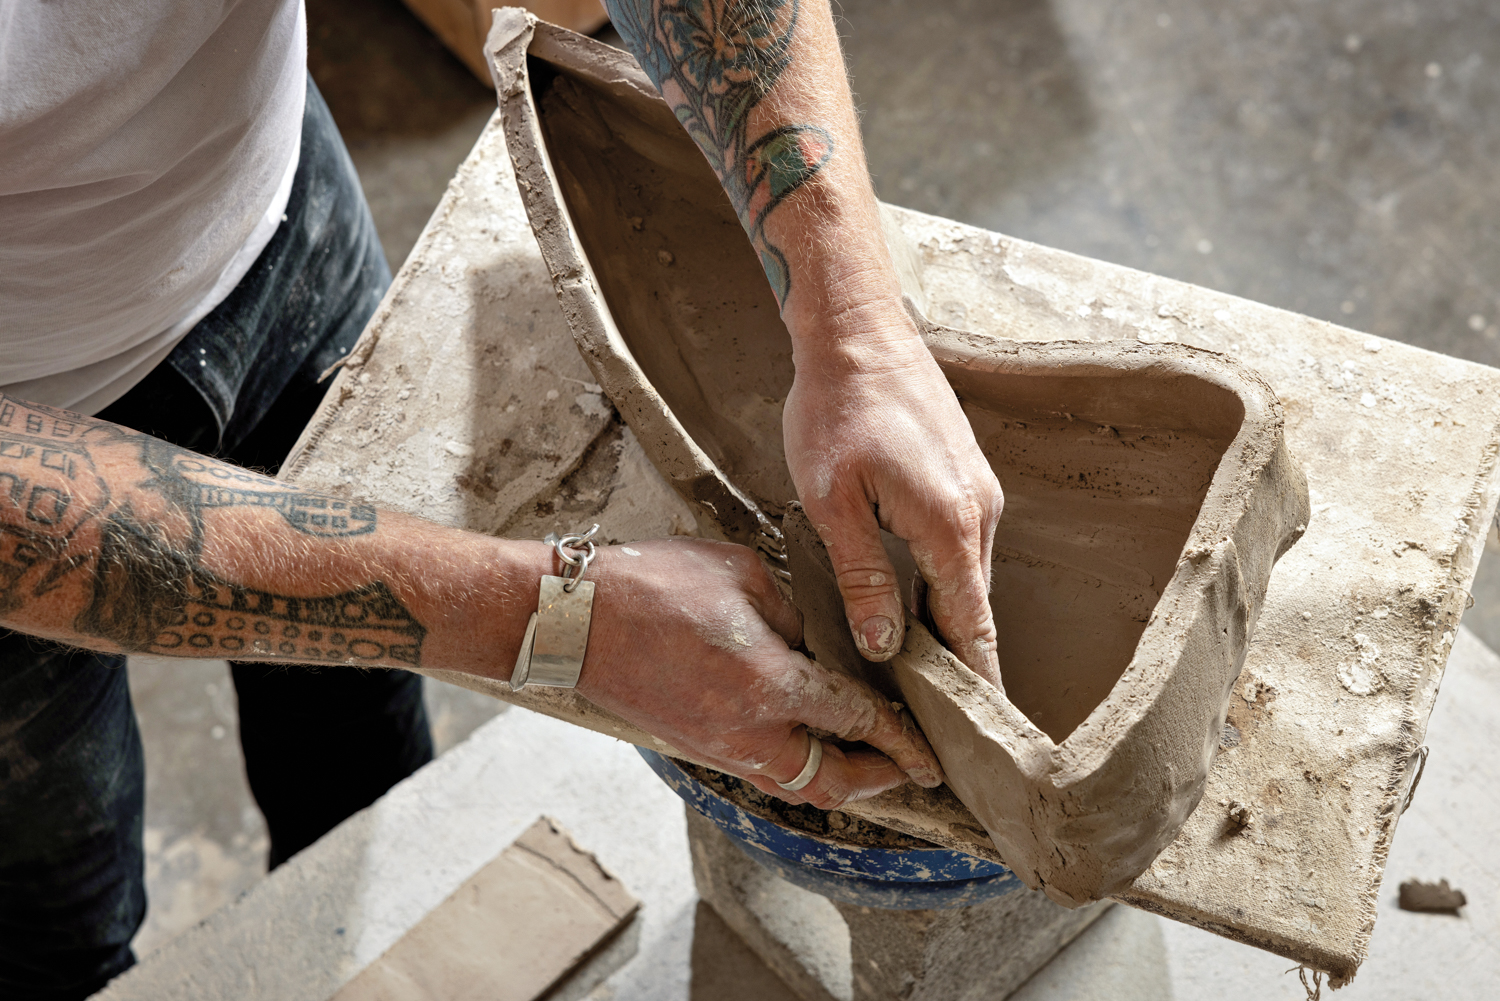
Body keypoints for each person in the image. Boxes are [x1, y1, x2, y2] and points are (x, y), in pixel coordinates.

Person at [0, 0, 1005, 997]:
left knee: (360, 746)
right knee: (56, 903)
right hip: (25, 399)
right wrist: (562, 620)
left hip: (263, 196)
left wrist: (853, 317)